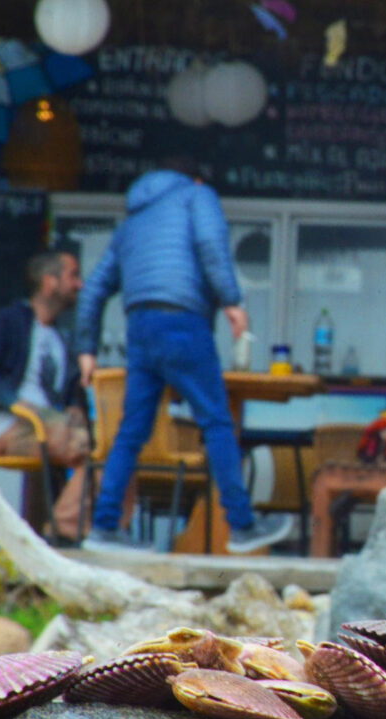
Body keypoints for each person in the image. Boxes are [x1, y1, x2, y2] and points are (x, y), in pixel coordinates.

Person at [75, 159, 292, 553]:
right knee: (216, 422)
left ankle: (104, 527)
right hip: (183, 322)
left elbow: (93, 289)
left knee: (131, 431)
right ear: (194, 177)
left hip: (140, 327)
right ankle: (242, 526)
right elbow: (211, 245)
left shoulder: (132, 223)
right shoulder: (197, 194)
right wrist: (231, 301)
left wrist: (86, 348)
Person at [0, 251, 90, 539]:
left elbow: (69, 395)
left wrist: (75, 408)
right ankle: (61, 533)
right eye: (73, 276)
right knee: (87, 445)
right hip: (8, 427)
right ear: (49, 282)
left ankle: (56, 528)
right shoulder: (7, 322)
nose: (80, 285)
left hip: (52, 429)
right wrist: (11, 400)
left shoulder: (64, 339)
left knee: (108, 453)